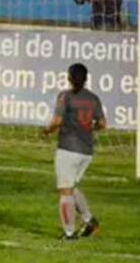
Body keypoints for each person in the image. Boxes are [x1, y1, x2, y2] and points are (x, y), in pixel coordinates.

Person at [43, 63, 104, 241]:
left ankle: (69, 233)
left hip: (68, 148)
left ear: (69, 78)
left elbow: (57, 121)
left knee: (65, 190)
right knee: (71, 186)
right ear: (86, 79)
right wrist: (89, 128)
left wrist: (47, 131)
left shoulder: (65, 97)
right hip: (86, 150)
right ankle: (89, 221)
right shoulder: (93, 98)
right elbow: (102, 123)